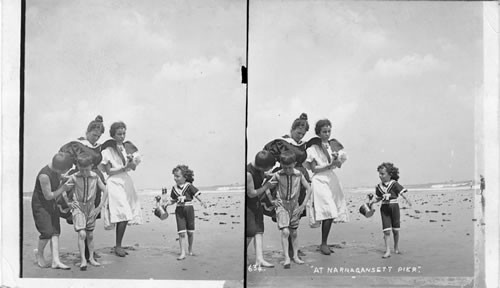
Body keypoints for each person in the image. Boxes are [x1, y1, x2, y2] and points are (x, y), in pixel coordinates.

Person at [262, 112, 310, 258]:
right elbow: (266, 154)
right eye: (298, 132)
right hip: (284, 177)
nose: (300, 136)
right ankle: (289, 249)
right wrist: (267, 172)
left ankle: (293, 247)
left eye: (303, 134)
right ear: (292, 129)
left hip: (299, 178)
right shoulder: (282, 142)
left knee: (296, 213)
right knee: (284, 213)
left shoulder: (303, 145)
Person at [59, 115, 106, 261]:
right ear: (87, 131)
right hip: (80, 181)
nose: (95, 138)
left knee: (91, 216)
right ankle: (85, 252)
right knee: (81, 217)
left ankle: (89, 250)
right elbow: (63, 157)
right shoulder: (77, 144)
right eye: (93, 135)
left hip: (94, 183)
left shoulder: (97, 146)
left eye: (98, 136)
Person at [304, 119, 349, 255]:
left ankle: (325, 242)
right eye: (324, 131)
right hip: (319, 180)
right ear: (318, 132)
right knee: (327, 210)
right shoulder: (313, 148)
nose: (327, 134)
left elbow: (339, 165)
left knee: (331, 212)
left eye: (329, 131)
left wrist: (336, 161)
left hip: (331, 179)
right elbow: (313, 169)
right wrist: (329, 165)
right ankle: (323, 244)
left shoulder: (332, 146)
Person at [98, 121, 142, 257]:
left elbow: (133, 168)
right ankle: (118, 246)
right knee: (122, 212)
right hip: (114, 183)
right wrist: (123, 167)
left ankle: (119, 244)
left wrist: (131, 162)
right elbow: (108, 171)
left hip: (126, 181)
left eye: (124, 133)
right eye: (119, 134)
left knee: (126, 214)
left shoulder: (127, 148)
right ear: (113, 135)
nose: (122, 136)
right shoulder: (107, 151)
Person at [266, 151, 312, 269]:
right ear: (281, 164)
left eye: (290, 167)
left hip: (295, 205)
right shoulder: (277, 175)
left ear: (295, 164)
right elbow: (267, 187)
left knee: (294, 232)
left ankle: (295, 256)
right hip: (282, 205)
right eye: (284, 167)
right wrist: (272, 200)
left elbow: (309, 188)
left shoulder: (299, 174)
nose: (287, 170)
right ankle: (286, 257)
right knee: (285, 231)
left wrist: (303, 205)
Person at [66, 153, 108, 270]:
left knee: (90, 234)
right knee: (82, 233)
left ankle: (91, 258)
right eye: (81, 169)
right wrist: (68, 203)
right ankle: (83, 260)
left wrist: (99, 207)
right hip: (78, 206)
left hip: (91, 207)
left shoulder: (95, 176)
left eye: (86, 169)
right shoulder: (74, 177)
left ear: (91, 166)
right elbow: (64, 189)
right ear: (78, 166)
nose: (84, 172)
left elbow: (105, 190)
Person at [32, 152, 74, 269]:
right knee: (46, 233)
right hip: (41, 205)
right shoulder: (44, 175)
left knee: (55, 231)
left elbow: (59, 177)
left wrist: (66, 178)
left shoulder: (56, 169)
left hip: (52, 204)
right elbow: (49, 195)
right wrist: (64, 188)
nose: (64, 173)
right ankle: (39, 254)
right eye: (65, 170)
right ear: (59, 168)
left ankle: (56, 261)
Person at [163, 165, 207, 260]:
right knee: (181, 232)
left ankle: (190, 249)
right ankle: (182, 253)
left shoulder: (189, 186)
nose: (175, 178)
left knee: (190, 232)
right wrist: (167, 203)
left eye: (177, 176)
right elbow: (173, 200)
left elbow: (196, 195)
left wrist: (202, 201)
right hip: (179, 211)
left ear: (185, 177)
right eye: (174, 176)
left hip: (189, 209)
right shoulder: (174, 188)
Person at [369, 162, 411, 258]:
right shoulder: (378, 187)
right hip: (384, 209)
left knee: (395, 230)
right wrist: (372, 201)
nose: (380, 176)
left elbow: (401, 192)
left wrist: (407, 199)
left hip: (394, 207)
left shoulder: (394, 184)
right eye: (379, 174)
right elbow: (379, 197)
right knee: (386, 231)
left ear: (390, 174)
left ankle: (396, 247)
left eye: (382, 174)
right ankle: (387, 250)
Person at [246, 150, 276, 268]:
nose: (268, 171)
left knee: (259, 230)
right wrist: (267, 186)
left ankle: (259, 259)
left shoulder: (259, 167)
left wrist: (268, 175)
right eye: (267, 169)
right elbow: (252, 193)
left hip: (257, 203)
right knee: (250, 231)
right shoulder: (248, 173)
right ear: (262, 166)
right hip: (249, 204)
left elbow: (262, 174)